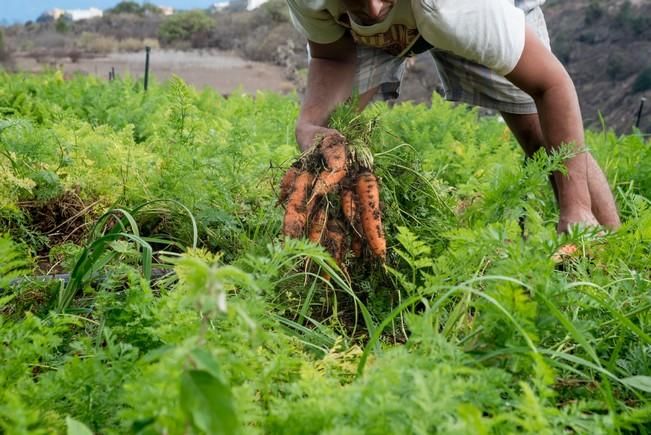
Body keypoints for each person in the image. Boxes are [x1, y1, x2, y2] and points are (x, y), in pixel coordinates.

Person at [286, 0, 621, 233]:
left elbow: (552, 85)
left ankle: (607, 250)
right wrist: (310, 125)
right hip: (395, 25)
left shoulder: (457, 9)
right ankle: (323, 267)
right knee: (329, 144)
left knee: (541, 134)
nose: (373, 9)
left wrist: (576, 207)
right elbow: (334, 57)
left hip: (462, 12)